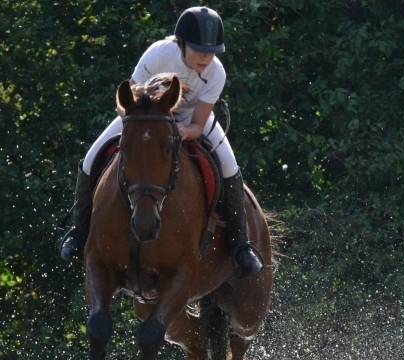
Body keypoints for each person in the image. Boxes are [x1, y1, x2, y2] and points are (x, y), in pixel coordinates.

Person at [59, 6, 263, 279]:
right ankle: (78, 231)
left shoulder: (216, 73)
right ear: (181, 44)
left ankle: (241, 245)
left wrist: (181, 131)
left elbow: (197, 125)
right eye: (198, 48)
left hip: (187, 122)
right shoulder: (159, 54)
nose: (206, 55)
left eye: (212, 49)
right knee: (90, 158)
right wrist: (141, 124)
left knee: (230, 167)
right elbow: (127, 100)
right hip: (142, 118)